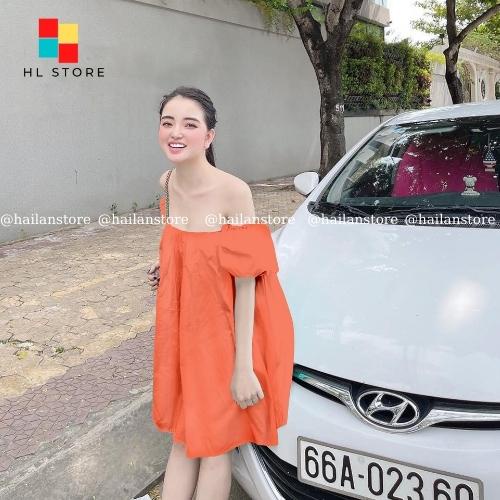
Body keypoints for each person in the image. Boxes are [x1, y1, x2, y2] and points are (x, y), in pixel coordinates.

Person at [146, 86, 294, 500]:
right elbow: (179, 237)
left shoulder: (233, 192)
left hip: (222, 334)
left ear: (209, 136)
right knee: (182, 437)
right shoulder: (167, 182)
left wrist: (243, 367)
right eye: (168, 123)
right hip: (180, 329)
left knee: (214, 447)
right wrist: (167, 262)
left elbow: (247, 283)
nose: (176, 132)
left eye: (189, 124)